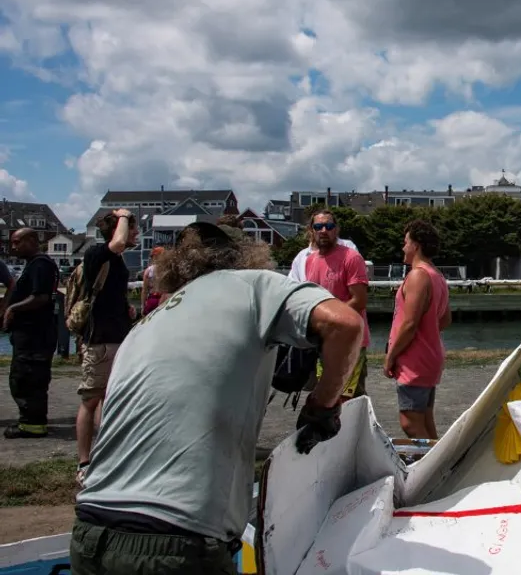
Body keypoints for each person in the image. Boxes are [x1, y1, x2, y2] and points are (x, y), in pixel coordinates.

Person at [70, 221, 365, 574]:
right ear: (245, 257)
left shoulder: (146, 325)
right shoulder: (253, 284)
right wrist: (321, 405)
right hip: (177, 539)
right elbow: (344, 325)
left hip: (89, 532)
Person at [75, 209, 138, 485]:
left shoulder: (116, 259)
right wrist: (124, 215)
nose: (135, 234)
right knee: (90, 400)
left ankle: (107, 455)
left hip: (116, 335)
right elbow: (119, 242)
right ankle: (84, 463)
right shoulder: (98, 253)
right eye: (132, 228)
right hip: (100, 339)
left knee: (108, 399)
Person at [289, 209, 371, 401]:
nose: (324, 230)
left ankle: (356, 430)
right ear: (311, 230)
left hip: (351, 341)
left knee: (348, 400)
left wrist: (330, 320)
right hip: (323, 343)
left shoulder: (351, 257)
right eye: (318, 226)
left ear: (337, 229)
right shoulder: (307, 261)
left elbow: (359, 300)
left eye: (329, 226)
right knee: (326, 397)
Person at [385, 219, 452, 439]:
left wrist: (391, 355)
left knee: (410, 422)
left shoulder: (418, 276)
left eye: (406, 242)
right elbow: (445, 319)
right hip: (430, 356)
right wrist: (429, 333)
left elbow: (410, 323)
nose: (403, 247)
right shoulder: (437, 276)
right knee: (424, 418)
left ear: (416, 245)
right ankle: (443, 465)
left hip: (415, 360)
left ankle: (429, 467)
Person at [2, 229, 59, 438]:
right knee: (25, 379)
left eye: (18, 242)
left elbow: (40, 297)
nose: (13, 247)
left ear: (33, 240)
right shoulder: (34, 265)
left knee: (27, 379)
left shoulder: (40, 265)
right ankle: (31, 421)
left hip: (35, 336)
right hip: (31, 335)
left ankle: (31, 425)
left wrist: (12, 309)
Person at [141, 246, 164, 316]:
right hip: (164, 299)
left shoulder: (148, 270)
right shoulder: (166, 269)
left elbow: (145, 290)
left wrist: (143, 306)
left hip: (152, 299)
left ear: (154, 257)